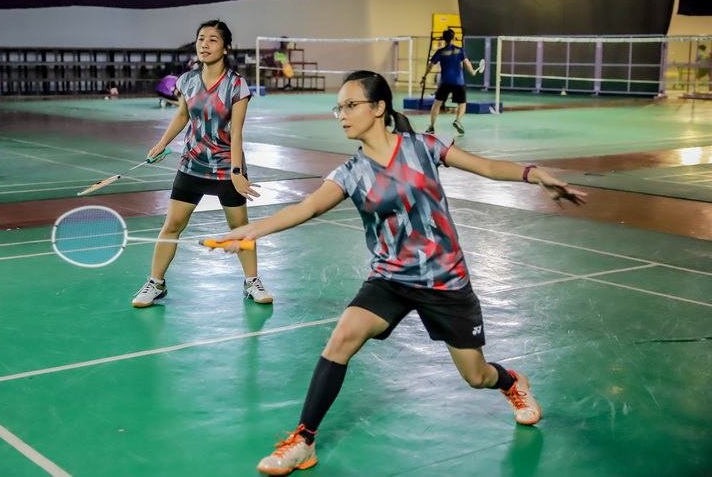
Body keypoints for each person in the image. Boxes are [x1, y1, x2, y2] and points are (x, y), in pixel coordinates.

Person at [219, 70, 588, 475]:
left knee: (476, 375)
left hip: (445, 280)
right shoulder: (351, 172)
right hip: (390, 279)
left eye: (351, 105)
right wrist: (252, 230)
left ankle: (510, 382)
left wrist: (534, 174)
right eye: (339, 108)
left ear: (379, 108)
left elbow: (484, 166)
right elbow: (307, 207)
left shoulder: (423, 148)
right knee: (342, 338)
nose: (342, 115)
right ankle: (303, 441)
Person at [130, 19, 274, 308]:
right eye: (201, 39)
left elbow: (237, 131)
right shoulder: (187, 80)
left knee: (239, 227)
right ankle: (155, 283)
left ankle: (252, 282)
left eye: (212, 40)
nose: (204, 45)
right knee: (172, 224)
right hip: (192, 164)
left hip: (226, 166)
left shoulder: (236, 84)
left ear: (226, 48)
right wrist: (162, 143)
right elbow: (183, 116)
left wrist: (236, 172)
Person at [420, 29, 477, 135]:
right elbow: (467, 63)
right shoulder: (460, 50)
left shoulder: (440, 52)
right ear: (453, 38)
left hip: (445, 82)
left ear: (444, 39)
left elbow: (430, 65)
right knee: (462, 104)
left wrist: (424, 77)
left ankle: (431, 127)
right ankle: (457, 120)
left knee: (436, 104)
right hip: (458, 82)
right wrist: (472, 71)